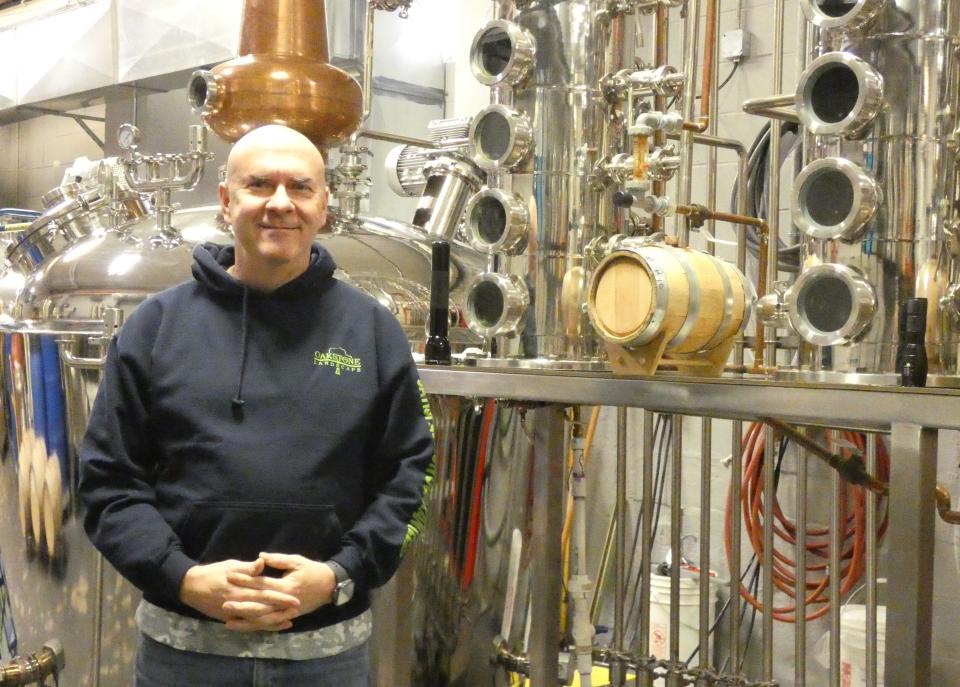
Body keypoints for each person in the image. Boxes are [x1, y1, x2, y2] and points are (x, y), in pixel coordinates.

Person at [79, 124, 435, 687]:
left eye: (300, 187)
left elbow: (409, 477)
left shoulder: (371, 331)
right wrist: (183, 577)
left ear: (324, 205)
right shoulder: (155, 327)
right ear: (226, 202)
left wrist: (339, 574)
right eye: (259, 185)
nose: (279, 203)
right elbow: (107, 484)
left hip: (328, 657)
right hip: (184, 656)